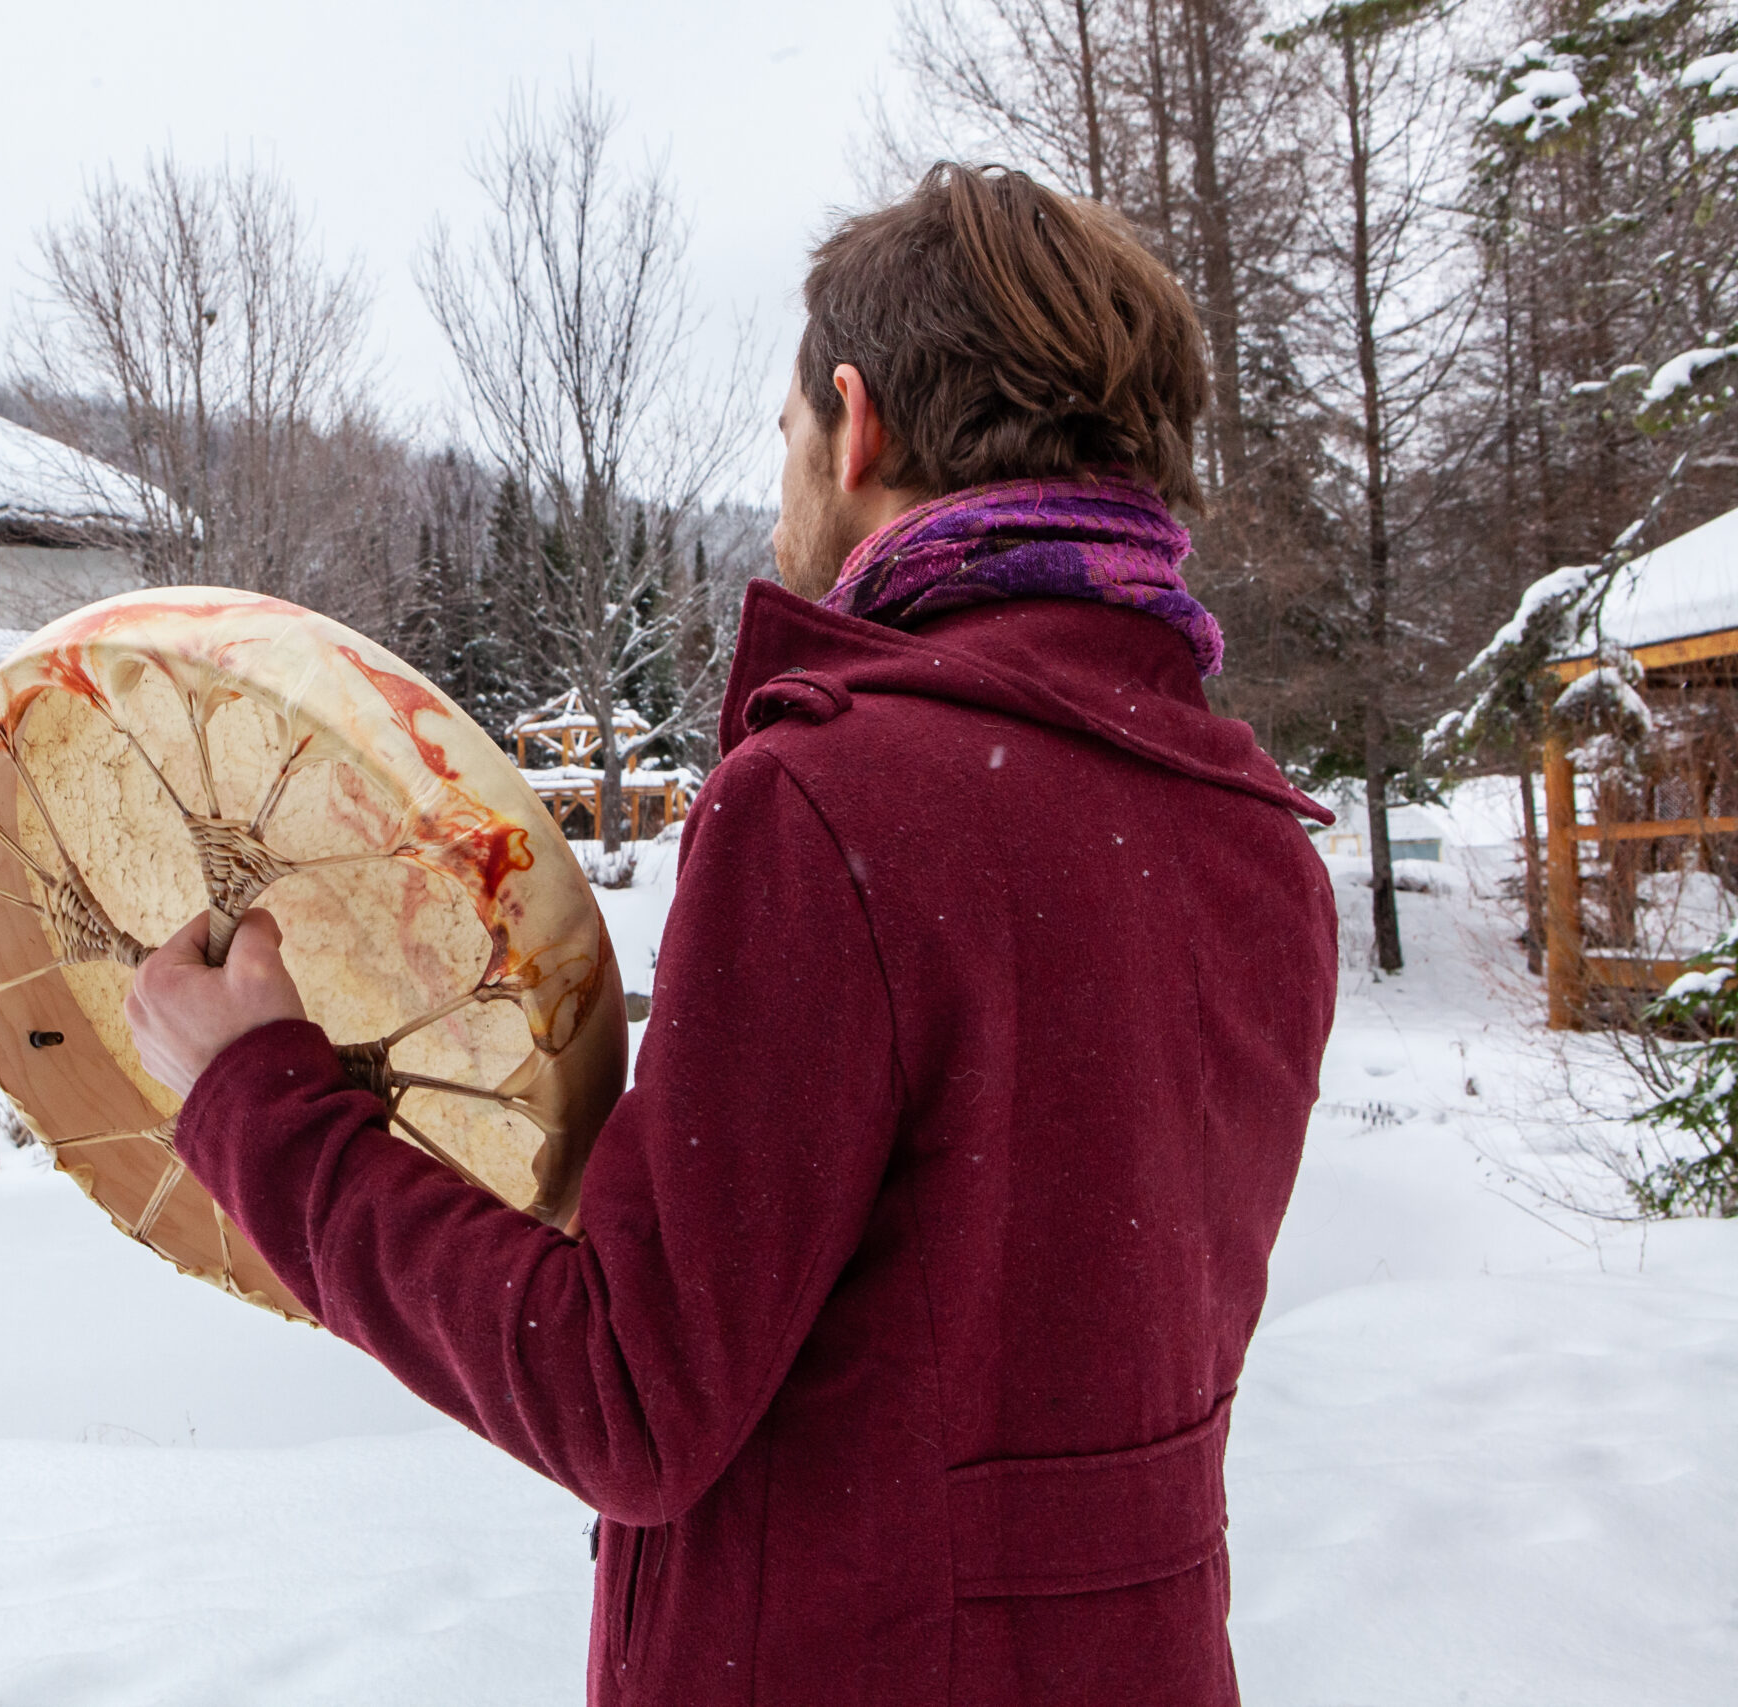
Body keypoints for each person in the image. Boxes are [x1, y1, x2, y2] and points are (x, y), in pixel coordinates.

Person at [124, 163, 1338, 1707]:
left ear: (859, 420)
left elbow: (624, 1395)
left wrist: (262, 1102)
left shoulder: (839, 806)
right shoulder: (1249, 838)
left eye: (788, 443)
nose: (784, 495)